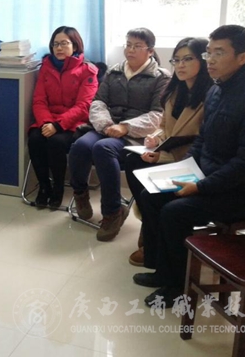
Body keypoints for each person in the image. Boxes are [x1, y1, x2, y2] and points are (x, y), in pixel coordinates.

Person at [132, 25, 245, 305]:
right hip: (212, 177)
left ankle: (178, 286)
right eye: (208, 53)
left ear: (242, 57)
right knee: (150, 194)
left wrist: (201, 186)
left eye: (219, 53)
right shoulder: (217, 89)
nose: (210, 60)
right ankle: (163, 271)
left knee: (175, 212)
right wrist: (183, 170)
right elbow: (203, 140)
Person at [68, 27, 170, 241]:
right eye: (128, 45)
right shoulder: (114, 72)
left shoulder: (160, 77)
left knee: (102, 148)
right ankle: (80, 194)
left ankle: (113, 211)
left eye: (137, 46)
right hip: (107, 127)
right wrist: (107, 125)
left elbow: (158, 115)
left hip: (137, 134)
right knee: (80, 146)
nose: (130, 50)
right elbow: (98, 102)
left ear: (150, 51)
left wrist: (125, 127)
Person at [123, 37, 213, 266]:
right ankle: (151, 226)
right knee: (132, 161)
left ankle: (154, 236)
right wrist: (155, 139)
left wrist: (161, 155)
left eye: (188, 59)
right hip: (170, 154)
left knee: (145, 176)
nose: (180, 65)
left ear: (203, 60)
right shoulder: (175, 90)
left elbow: (200, 142)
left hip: (190, 160)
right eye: (176, 60)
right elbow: (165, 127)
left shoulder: (211, 95)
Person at [28, 26, 98, 208]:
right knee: (35, 138)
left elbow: (84, 106)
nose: (59, 48)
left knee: (56, 142)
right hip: (48, 120)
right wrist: (46, 122)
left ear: (75, 46)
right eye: (55, 44)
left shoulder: (87, 70)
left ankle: (58, 188)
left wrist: (58, 125)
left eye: (64, 44)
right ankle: (44, 186)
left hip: (75, 123)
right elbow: (39, 100)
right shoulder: (45, 67)